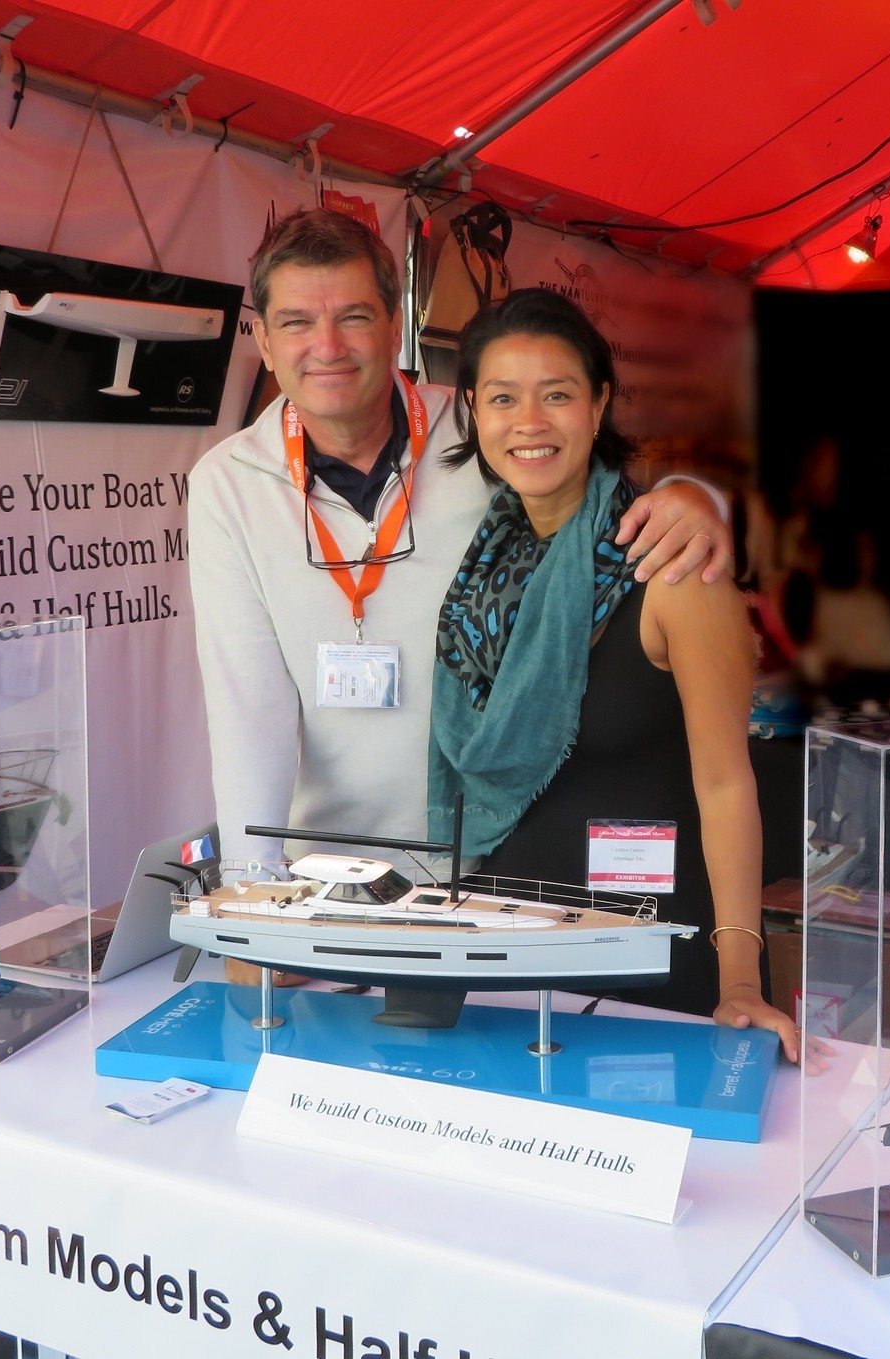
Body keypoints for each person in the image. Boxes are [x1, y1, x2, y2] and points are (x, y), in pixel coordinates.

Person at [187, 209, 727, 880]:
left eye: (354, 316)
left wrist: (697, 497)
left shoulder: (478, 430)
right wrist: (253, 884)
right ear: (264, 341)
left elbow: (602, 496)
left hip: (494, 860)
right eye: (297, 322)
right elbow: (247, 709)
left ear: (395, 328)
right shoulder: (228, 484)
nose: (327, 346)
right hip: (326, 872)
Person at [427, 288, 799, 1059]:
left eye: (557, 394)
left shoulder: (673, 567)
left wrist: (740, 979)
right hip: (506, 954)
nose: (530, 421)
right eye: (503, 397)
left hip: (647, 963)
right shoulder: (481, 567)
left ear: (598, 405)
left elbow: (728, 785)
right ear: (473, 410)